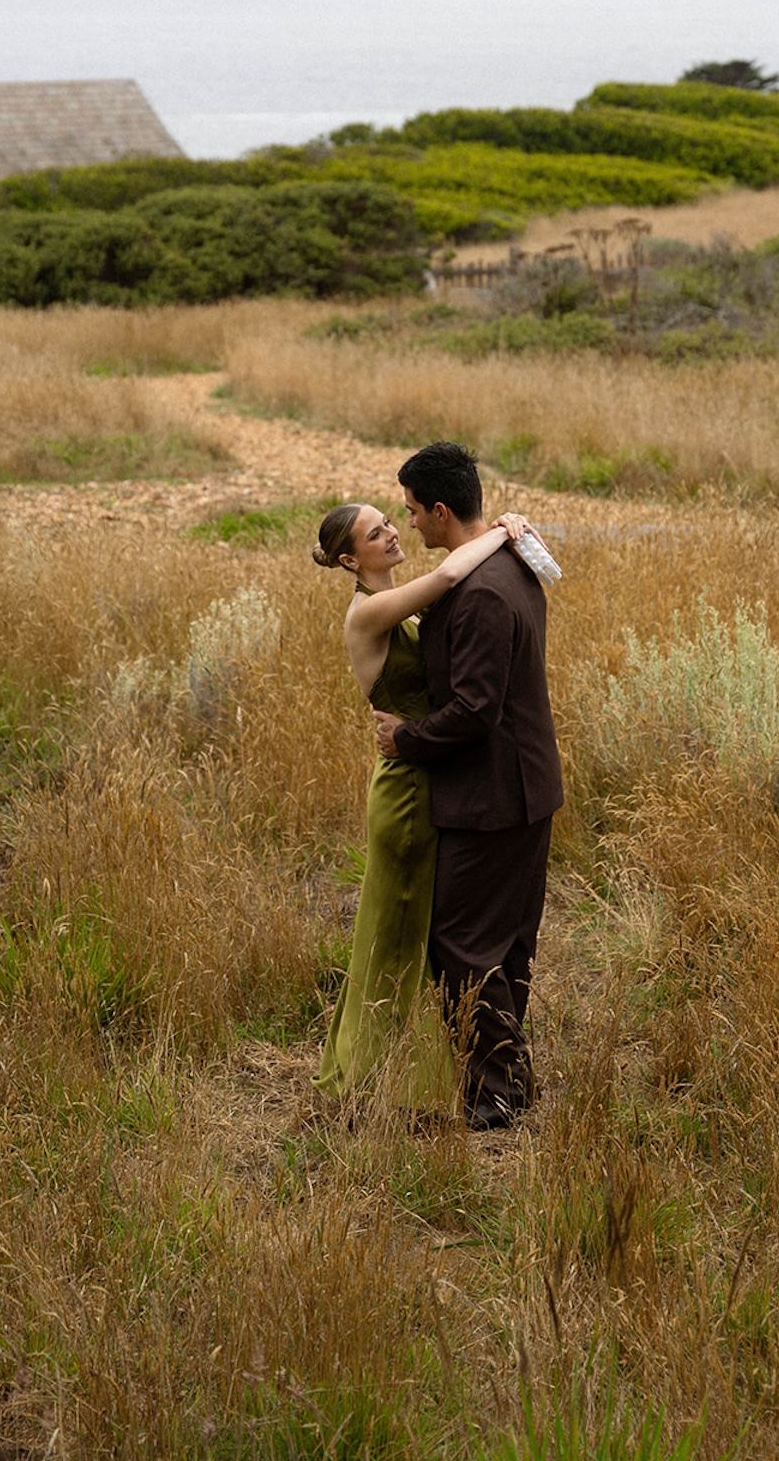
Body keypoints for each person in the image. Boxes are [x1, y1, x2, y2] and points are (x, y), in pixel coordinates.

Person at [312, 499, 533, 1105]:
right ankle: (375, 1080)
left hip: (425, 775)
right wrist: (502, 532)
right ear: (350, 559)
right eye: (374, 533)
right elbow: (448, 578)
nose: (391, 533)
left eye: (390, 521)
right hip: (407, 791)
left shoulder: (392, 598)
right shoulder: (369, 611)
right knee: (398, 932)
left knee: (422, 933)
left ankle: (422, 1073)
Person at [373, 442, 563, 1131]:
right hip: (525, 786)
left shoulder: (482, 592)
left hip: (493, 797)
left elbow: (476, 711)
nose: (410, 523)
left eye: (415, 511)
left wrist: (406, 740)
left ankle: (491, 1098)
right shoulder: (508, 560)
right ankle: (513, 1080)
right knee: (506, 945)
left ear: (443, 510)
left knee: (460, 945)